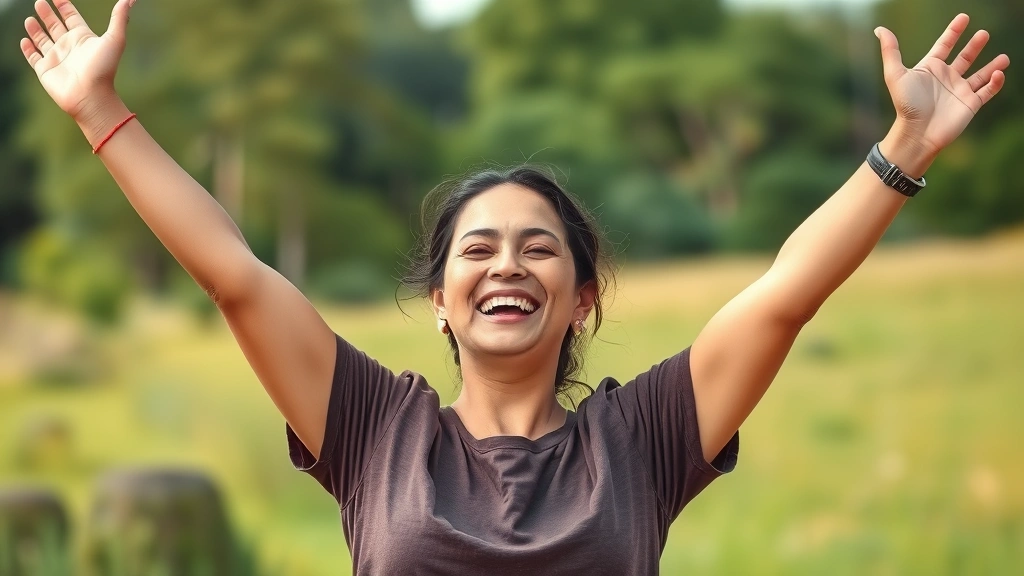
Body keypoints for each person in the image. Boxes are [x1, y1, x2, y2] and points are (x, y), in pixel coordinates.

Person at [18, 0, 1010, 573]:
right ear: (442, 299)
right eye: (478, 249)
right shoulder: (371, 429)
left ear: (581, 295)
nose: (506, 264)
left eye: (540, 249)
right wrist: (102, 112)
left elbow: (785, 293)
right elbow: (232, 273)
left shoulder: (644, 440)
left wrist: (902, 148)